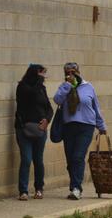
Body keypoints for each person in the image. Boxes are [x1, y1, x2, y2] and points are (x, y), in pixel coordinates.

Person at [53, 62, 107, 200]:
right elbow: (57, 100)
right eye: (67, 72)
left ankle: (76, 188)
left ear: (78, 72)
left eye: (72, 72)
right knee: (71, 160)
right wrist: (68, 86)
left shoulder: (88, 87)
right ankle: (74, 186)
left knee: (78, 156)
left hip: (86, 126)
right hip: (68, 126)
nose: (70, 74)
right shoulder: (64, 87)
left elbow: (96, 107)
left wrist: (101, 126)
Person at [15, 64, 53, 201]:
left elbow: (49, 108)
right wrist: (39, 80)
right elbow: (29, 95)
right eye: (41, 75)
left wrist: (47, 120)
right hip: (24, 129)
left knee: (38, 160)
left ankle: (39, 189)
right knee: (26, 159)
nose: (43, 79)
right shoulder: (23, 87)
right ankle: (23, 190)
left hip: (39, 129)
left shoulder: (42, 89)